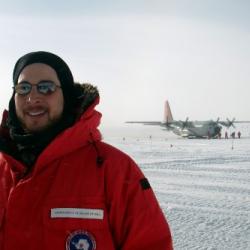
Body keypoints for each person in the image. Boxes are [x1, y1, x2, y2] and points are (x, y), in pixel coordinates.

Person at [0, 51, 173, 249]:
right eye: (23, 88)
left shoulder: (115, 170)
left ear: (66, 95)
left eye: (46, 87)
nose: (32, 97)